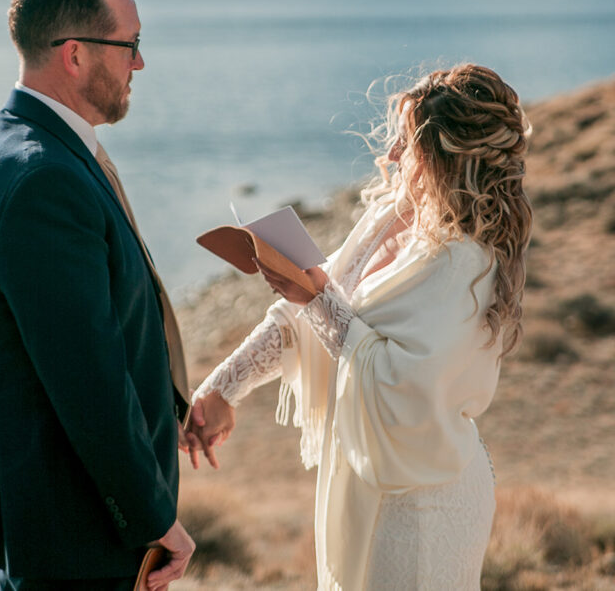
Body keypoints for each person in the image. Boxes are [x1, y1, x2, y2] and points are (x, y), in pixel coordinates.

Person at [187, 64, 533, 589]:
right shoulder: (391, 214)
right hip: (359, 472)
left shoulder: (465, 263)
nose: (391, 156)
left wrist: (316, 296)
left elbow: (398, 385)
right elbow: (305, 315)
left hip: (422, 499)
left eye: (407, 146)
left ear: (446, 159)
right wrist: (223, 389)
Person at [0, 0, 195, 590]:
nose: (140, 62)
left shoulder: (24, 148)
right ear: (75, 54)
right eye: (130, 45)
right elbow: (86, 378)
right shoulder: (40, 179)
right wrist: (153, 516)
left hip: (64, 509)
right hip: (72, 522)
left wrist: (171, 409)